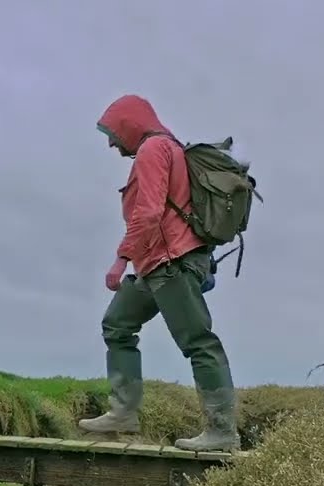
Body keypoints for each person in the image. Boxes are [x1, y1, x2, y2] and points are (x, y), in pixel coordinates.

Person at [76, 94, 240, 452]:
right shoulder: (168, 149)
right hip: (155, 265)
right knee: (117, 324)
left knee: (198, 341)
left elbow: (149, 212)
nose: (110, 142)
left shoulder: (154, 150)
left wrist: (120, 259)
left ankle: (222, 430)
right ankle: (124, 412)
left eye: (112, 133)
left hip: (170, 265)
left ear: (129, 125)